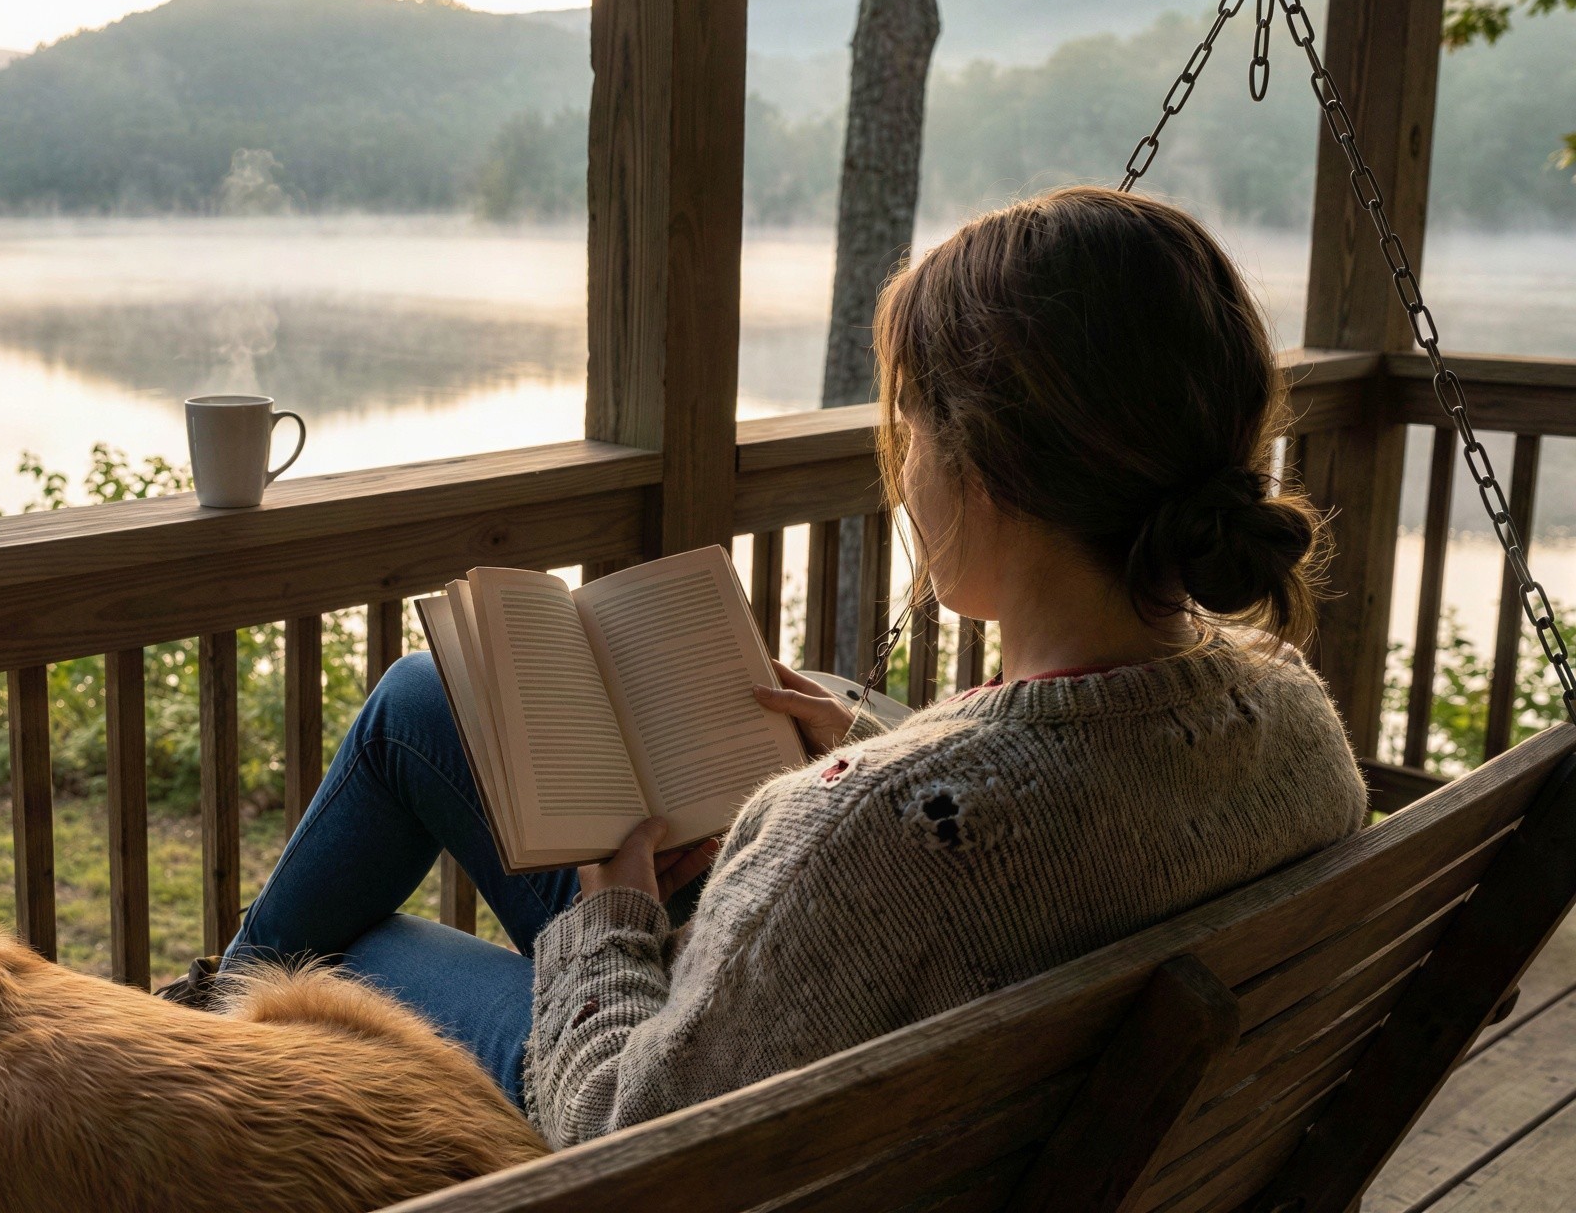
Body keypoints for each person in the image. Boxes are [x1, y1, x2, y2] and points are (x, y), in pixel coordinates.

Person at [182, 187, 1369, 1149]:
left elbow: (625, 1133)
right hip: (996, 1128)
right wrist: (873, 756)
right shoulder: (1291, 719)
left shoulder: (878, 835)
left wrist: (613, 918)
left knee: (319, 956)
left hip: (680, 1137)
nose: (901, 459)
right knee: (422, 701)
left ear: (983, 467)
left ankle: (182, 1080)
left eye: (909, 420)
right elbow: (1048, 845)